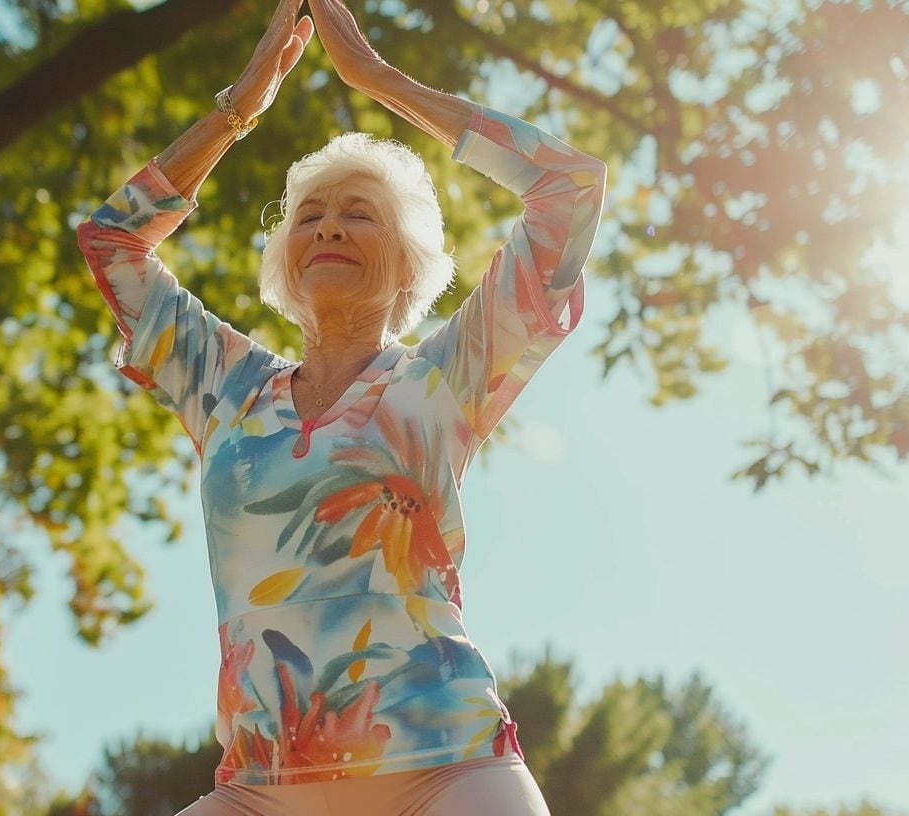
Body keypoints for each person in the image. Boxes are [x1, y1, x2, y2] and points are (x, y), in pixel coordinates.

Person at [76, 0, 606, 812]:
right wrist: (238, 110)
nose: (328, 227)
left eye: (359, 215)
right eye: (310, 217)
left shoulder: (445, 376)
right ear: (286, 262)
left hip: (449, 770)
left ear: (405, 268)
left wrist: (382, 80)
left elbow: (569, 189)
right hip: (263, 788)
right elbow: (113, 240)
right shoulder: (226, 387)